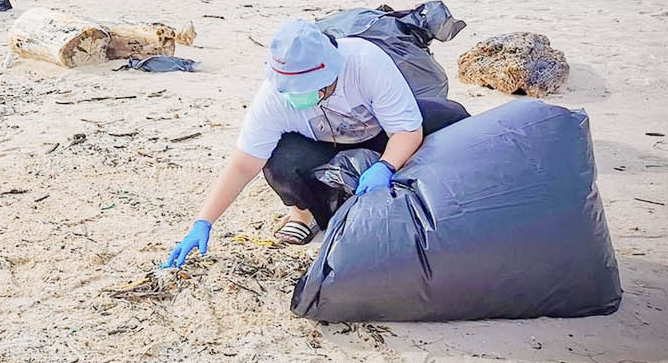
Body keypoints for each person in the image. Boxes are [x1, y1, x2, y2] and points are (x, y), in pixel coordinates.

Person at [163, 19, 469, 267]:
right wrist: (203, 222)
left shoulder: (366, 62)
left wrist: (385, 167)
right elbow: (244, 165)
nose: (298, 95)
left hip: (380, 134)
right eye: (291, 88)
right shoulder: (273, 97)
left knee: (453, 119)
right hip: (321, 145)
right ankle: (305, 212)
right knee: (280, 163)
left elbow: (406, 132)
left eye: (307, 87)